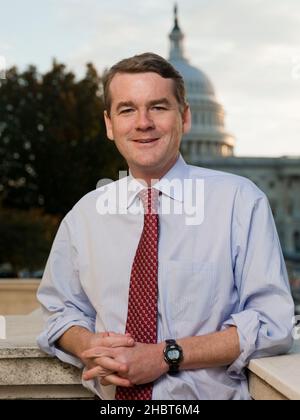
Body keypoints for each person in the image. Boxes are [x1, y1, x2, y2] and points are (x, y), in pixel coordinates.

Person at [37, 52, 294, 400]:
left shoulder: (240, 202)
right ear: (110, 124)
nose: (143, 122)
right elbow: (59, 309)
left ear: (185, 117)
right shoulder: (85, 215)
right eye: (127, 109)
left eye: (158, 107)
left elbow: (272, 323)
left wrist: (164, 355)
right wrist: (88, 344)